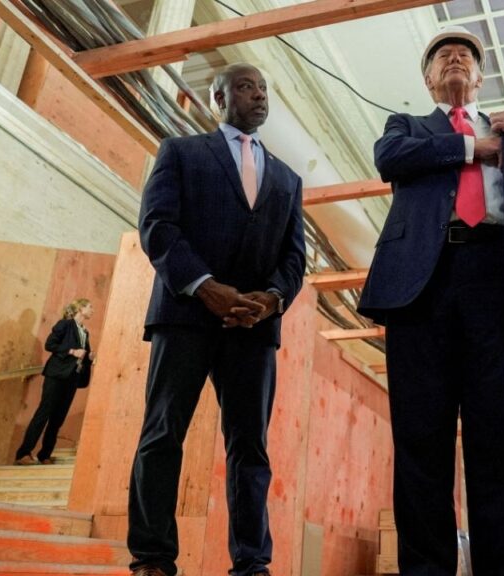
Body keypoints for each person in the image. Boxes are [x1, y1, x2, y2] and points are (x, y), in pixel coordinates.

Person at [357, 26, 504, 576]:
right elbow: (389, 158)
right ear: (429, 79)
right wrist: (469, 147)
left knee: (500, 438)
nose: (455, 59)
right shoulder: (407, 127)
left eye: (466, 56)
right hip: (420, 287)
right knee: (421, 436)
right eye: (443, 56)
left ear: (480, 78)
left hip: (495, 284)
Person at [127, 63, 306, 576]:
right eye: (246, 87)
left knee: (250, 448)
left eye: (264, 88)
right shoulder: (181, 152)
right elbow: (157, 226)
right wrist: (205, 287)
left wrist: (272, 299)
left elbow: (295, 257)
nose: (259, 95)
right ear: (219, 99)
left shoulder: (288, 179)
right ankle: (152, 558)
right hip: (185, 314)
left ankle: (252, 563)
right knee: (163, 434)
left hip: (253, 327)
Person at [15, 298, 94, 465]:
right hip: (56, 375)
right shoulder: (65, 324)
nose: (92, 310)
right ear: (80, 309)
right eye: (89, 307)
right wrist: (72, 351)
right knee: (44, 412)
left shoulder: (85, 332)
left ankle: (44, 455)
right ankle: (23, 453)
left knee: (58, 418)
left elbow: (83, 355)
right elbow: (50, 344)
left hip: (72, 378)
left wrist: (89, 357)